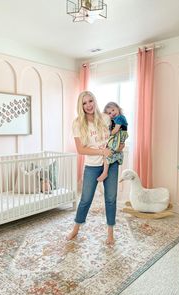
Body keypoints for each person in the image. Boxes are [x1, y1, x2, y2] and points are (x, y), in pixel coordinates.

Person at [67, 91, 123, 245]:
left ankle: (110, 233)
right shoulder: (77, 123)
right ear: (81, 106)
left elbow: (118, 133)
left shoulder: (105, 118)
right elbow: (81, 150)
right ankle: (76, 229)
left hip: (110, 163)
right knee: (85, 199)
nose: (89, 105)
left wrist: (119, 146)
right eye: (84, 103)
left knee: (111, 199)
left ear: (95, 101)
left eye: (90, 101)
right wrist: (100, 151)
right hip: (92, 166)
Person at [97, 102, 128, 182]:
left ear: (118, 108)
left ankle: (105, 172)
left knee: (107, 152)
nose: (112, 113)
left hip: (118, 136)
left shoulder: (119, 118)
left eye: (113, 110)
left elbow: (116, 130)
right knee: (108, 152)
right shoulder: (116, 119)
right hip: (118, 137)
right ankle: (106, 170)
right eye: (109, 113)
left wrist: (109, 134)